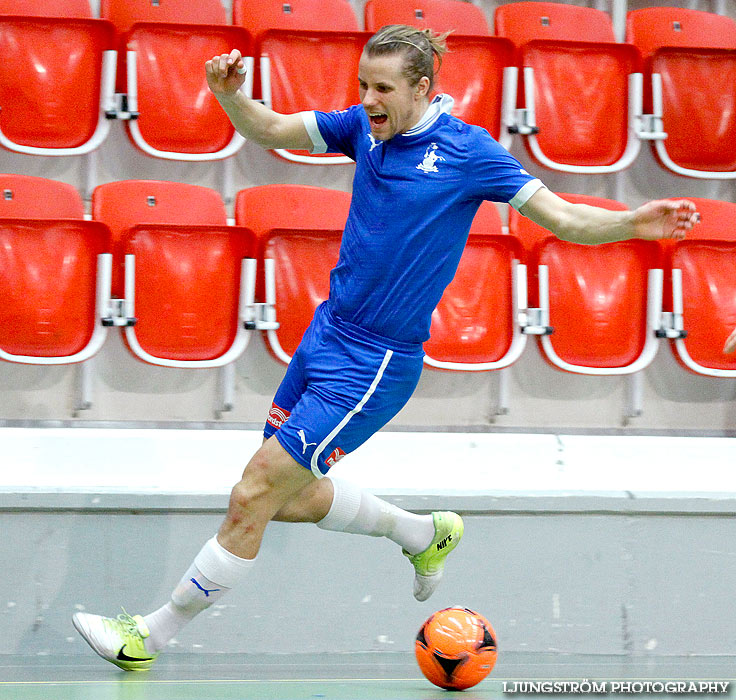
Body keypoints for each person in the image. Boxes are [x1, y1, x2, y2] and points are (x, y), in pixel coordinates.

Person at [72, 25, 701, 671]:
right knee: (288, 499)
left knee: (253, 492)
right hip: (324, 337)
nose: (368, 99)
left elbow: (563, 218)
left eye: (383, 88)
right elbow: (270, 129)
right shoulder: (360, 129)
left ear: (423, 87)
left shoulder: (467, 152)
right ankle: (423, 533)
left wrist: (630, 223)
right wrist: (230, 97)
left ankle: (148, 635)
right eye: (363, 85)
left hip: (374, 364)